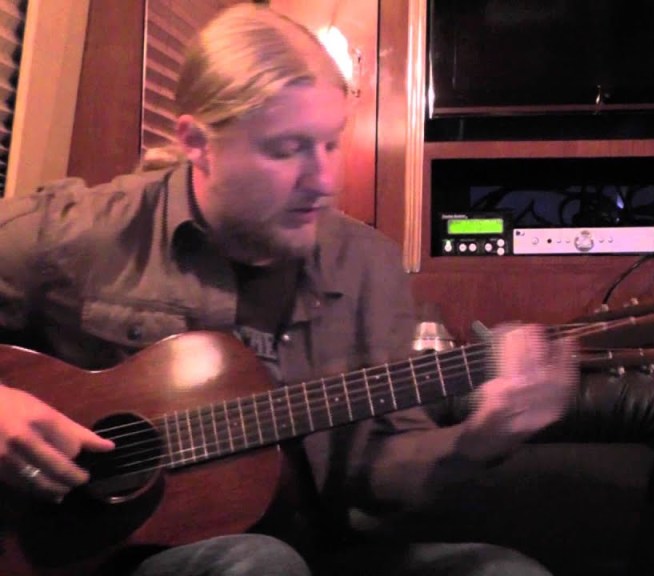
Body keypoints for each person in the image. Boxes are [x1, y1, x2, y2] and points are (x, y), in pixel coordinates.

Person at [0, 4, 576, 576]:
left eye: (330, 143)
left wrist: (480, 437)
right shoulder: (85, 233)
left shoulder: (366, 264)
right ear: (198, 141)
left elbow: (379, 470)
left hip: (319, 547)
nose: (325, 180)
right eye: (287, 149)